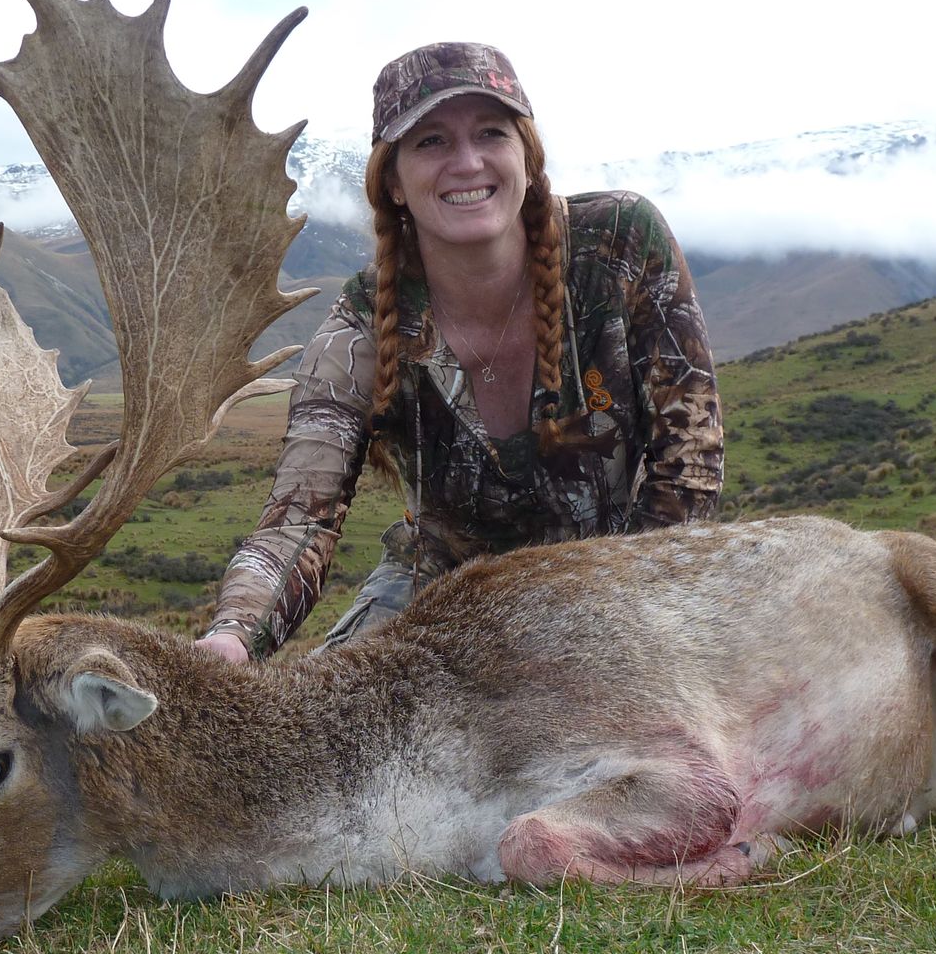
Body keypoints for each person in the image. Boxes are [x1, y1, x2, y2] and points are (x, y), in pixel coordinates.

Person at [195, 41, 723, 664]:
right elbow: (298, 522)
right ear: (392, 183)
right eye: (431, 142)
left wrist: (613, 617)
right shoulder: (359, 331)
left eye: (491, 133)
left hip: (621, 580)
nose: (467, 162)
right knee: (324, 728)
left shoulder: (623, 243)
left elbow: (688, 464)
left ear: (526, 156)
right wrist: (233, 635)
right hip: (439, 599)